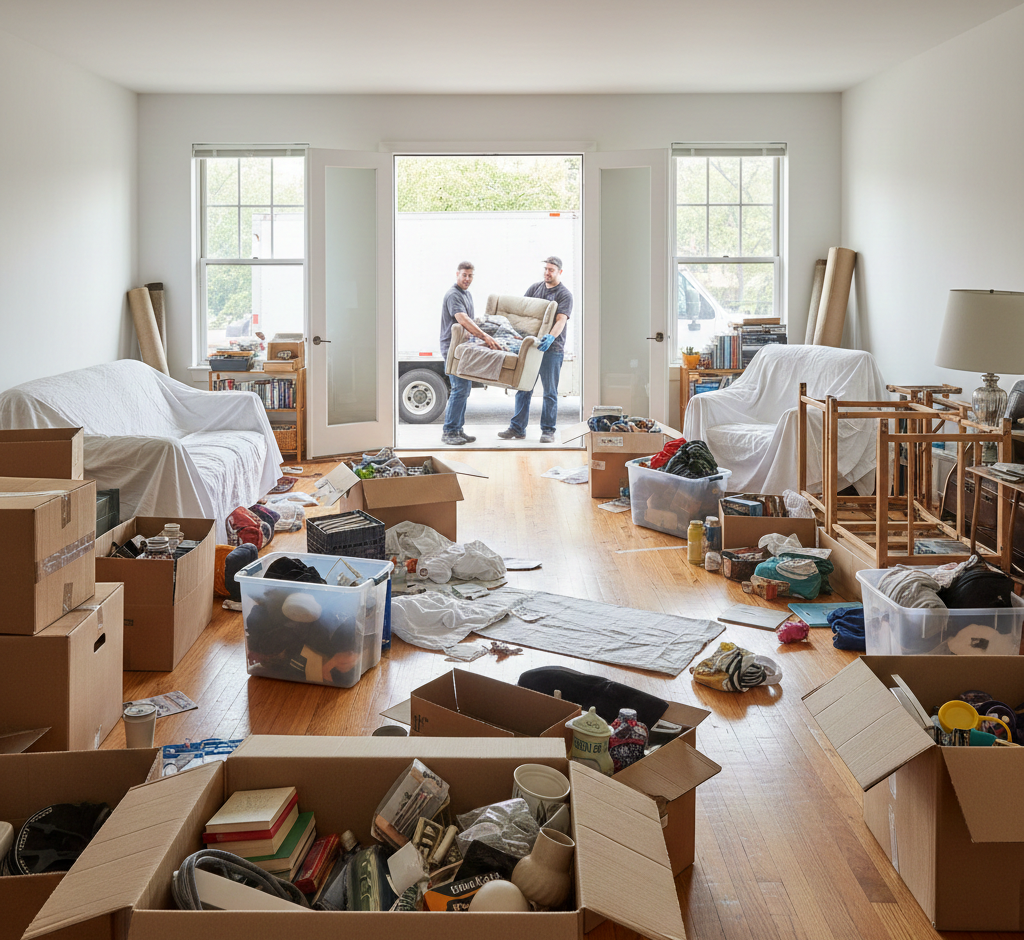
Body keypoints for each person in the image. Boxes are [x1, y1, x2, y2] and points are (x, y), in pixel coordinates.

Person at [498, 256, 573, 443]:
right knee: (523, 388)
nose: (547, 273)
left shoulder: (564, 294)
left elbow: (561, 320)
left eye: (551, 270)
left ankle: (548, 431)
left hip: (552, 349)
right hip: (531, 348)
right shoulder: (534, 289)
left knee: (550, 392)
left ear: (560, 272)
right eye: (546, 269)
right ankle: (517, 428)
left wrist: (551, 337)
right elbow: (523, 314)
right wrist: (517, 336)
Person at [439, 261, 500, 445]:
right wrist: (485, 337)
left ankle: (458, 429)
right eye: (464, 275)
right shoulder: (454, 295)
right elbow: (463, 319)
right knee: (459, 389)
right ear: (457, 274)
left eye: (470, 275)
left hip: (464, 348)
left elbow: (470, 323)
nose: (467, 279)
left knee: (464, 390)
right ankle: (449, 432)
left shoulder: (467, 294)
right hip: (453, 349)